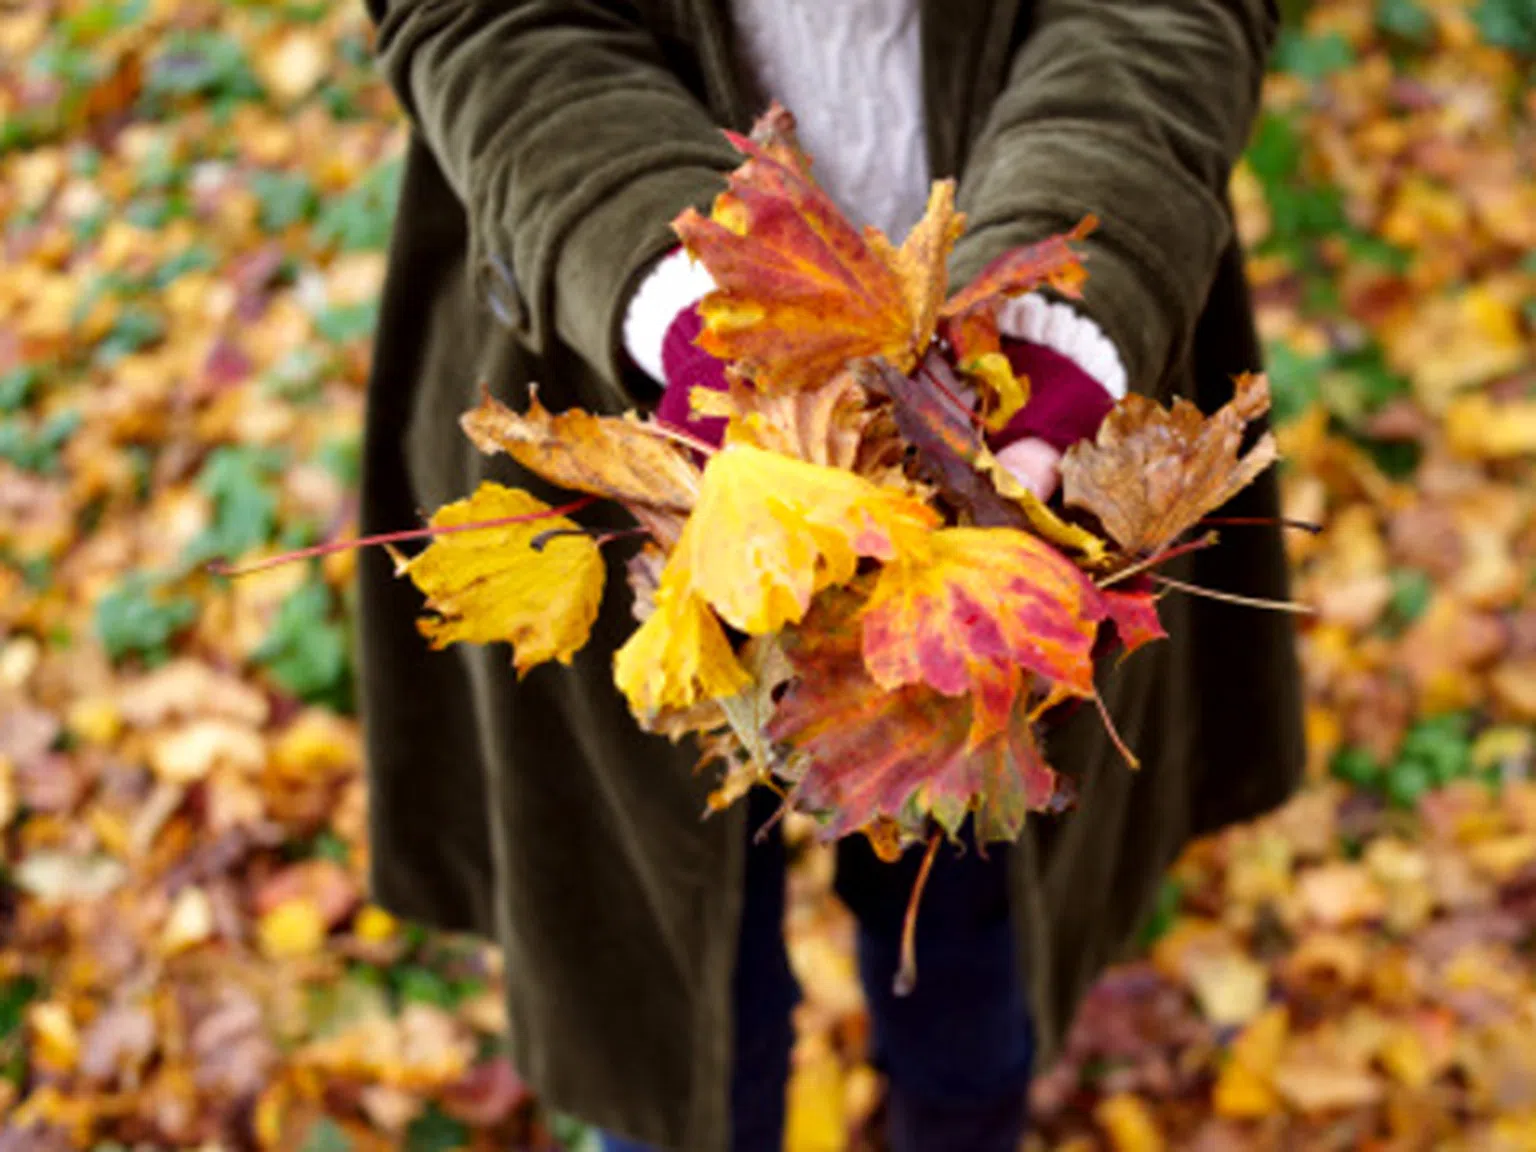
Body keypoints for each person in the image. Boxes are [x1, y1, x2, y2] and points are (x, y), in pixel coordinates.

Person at [357, 2, 1305, 1150]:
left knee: (977, 942)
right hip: (612, 362)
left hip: (1030, 400)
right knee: (672, 1012)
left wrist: (1054, 331)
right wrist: (684, 301)